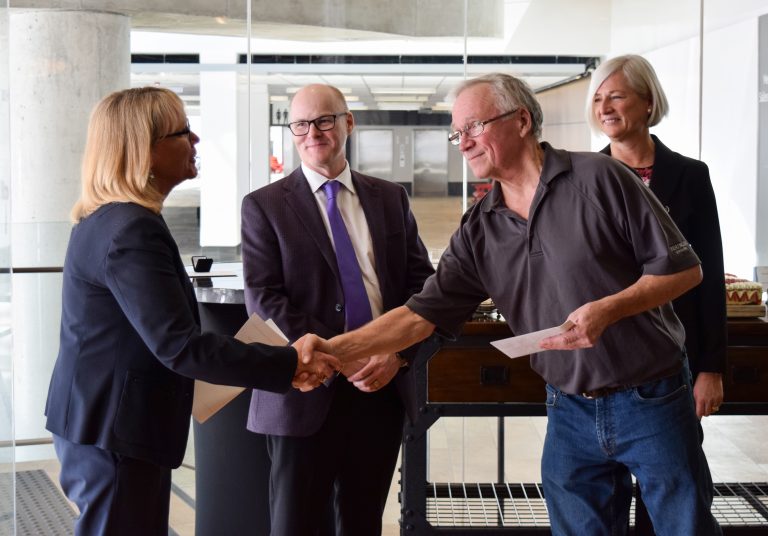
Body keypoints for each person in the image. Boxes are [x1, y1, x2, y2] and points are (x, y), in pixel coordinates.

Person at [303, 73, 723, 535]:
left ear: (521, 120)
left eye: (473, 128)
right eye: (456, 134)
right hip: (569, 411)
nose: (462, 144)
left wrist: (609, 309)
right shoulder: (479, 228)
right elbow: (419, 314)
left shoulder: (601, 177)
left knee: (686, 528)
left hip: (653, 398)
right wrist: (332, 349)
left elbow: (685, 271)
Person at [44, 87, 339, 536]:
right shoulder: (130, 230)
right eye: (183, 131)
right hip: (115, 433)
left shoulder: (108, 218)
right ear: (145, 150)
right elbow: (179, 345)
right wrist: (289, 364)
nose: (196, 139)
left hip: (102, 425)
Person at [240, 83, 434, 536]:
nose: (313, 132)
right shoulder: (264, 206)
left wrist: (396, 352)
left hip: (380, 387)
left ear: (348, 122)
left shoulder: (390, 198)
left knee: (363, 522)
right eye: (301, 124)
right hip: (304, 389)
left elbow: (421, 286)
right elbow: (265, 300)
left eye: (324, 120)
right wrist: (342, 355)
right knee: (295, 525)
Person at [587, 53, 727, 536]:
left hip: (673, 365)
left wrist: (710, 368)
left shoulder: (690, 175)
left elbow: (708, 275)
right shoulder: (582, 176)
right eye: (598, 99)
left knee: (671, 501)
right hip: (603, 364)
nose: (605, 107)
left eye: (617, 96)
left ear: (647, 103)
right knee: (601, 500)